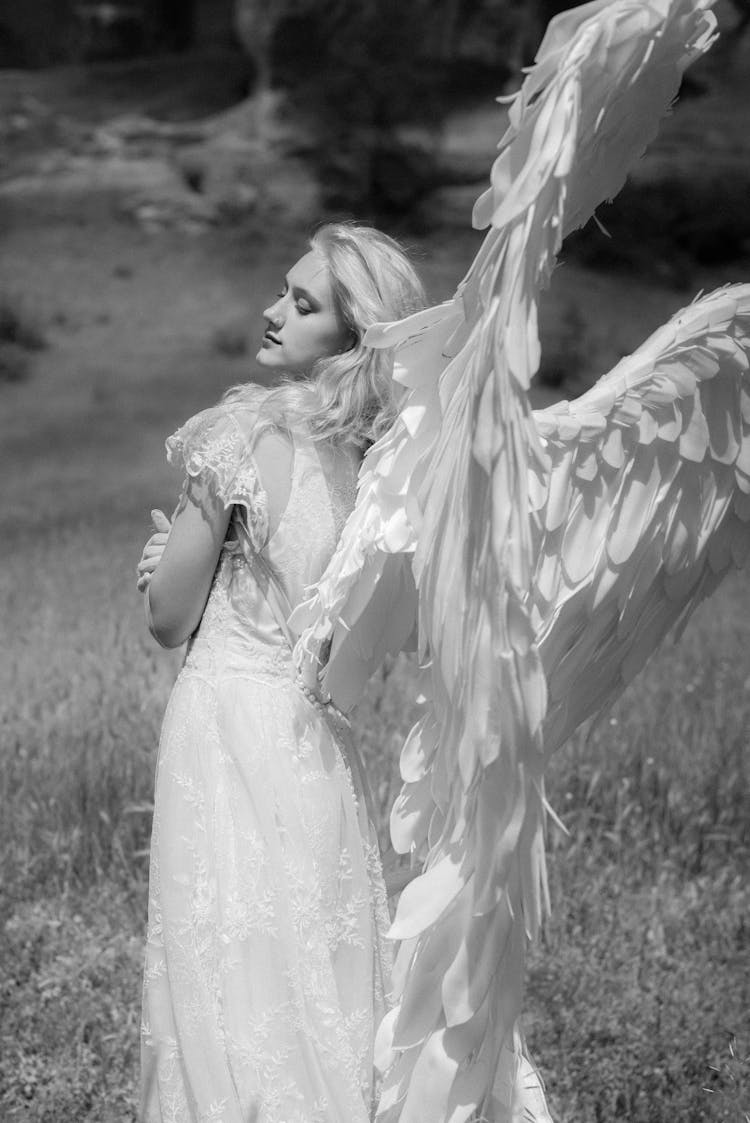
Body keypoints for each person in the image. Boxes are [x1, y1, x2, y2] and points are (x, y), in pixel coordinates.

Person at [136, 222, 427, 1123]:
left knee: (221, 971)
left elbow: (167, 617)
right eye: (283, 291)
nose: (273, 312)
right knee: (318, 977)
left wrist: (159, 559)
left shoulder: (242, 435)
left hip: (223, 725)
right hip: (319, 744)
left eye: (301, 305)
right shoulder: (385, 474)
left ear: (348, 336)